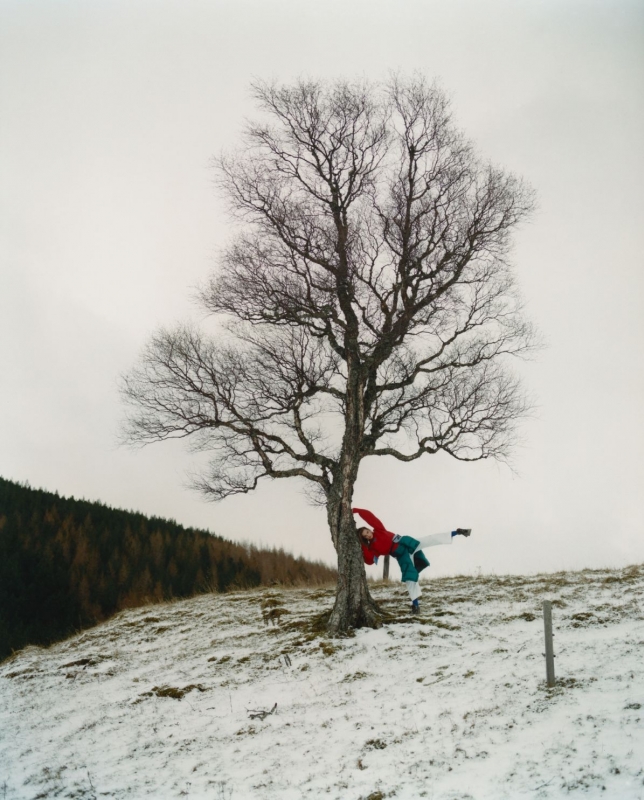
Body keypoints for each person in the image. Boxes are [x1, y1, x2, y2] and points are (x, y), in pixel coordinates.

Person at [353, 507, 471, 614]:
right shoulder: (373, 549)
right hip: (401, 555)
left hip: (406, 543)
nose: (368, 535)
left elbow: (370, 517)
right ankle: (415, 606)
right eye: (365, 536)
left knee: (429, 539)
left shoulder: (379, 530)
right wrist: (362, 545)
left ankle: (458, 532)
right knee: (409, 579)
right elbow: (369, 560)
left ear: (370, 529)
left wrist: (357, 511)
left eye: (367, 532)